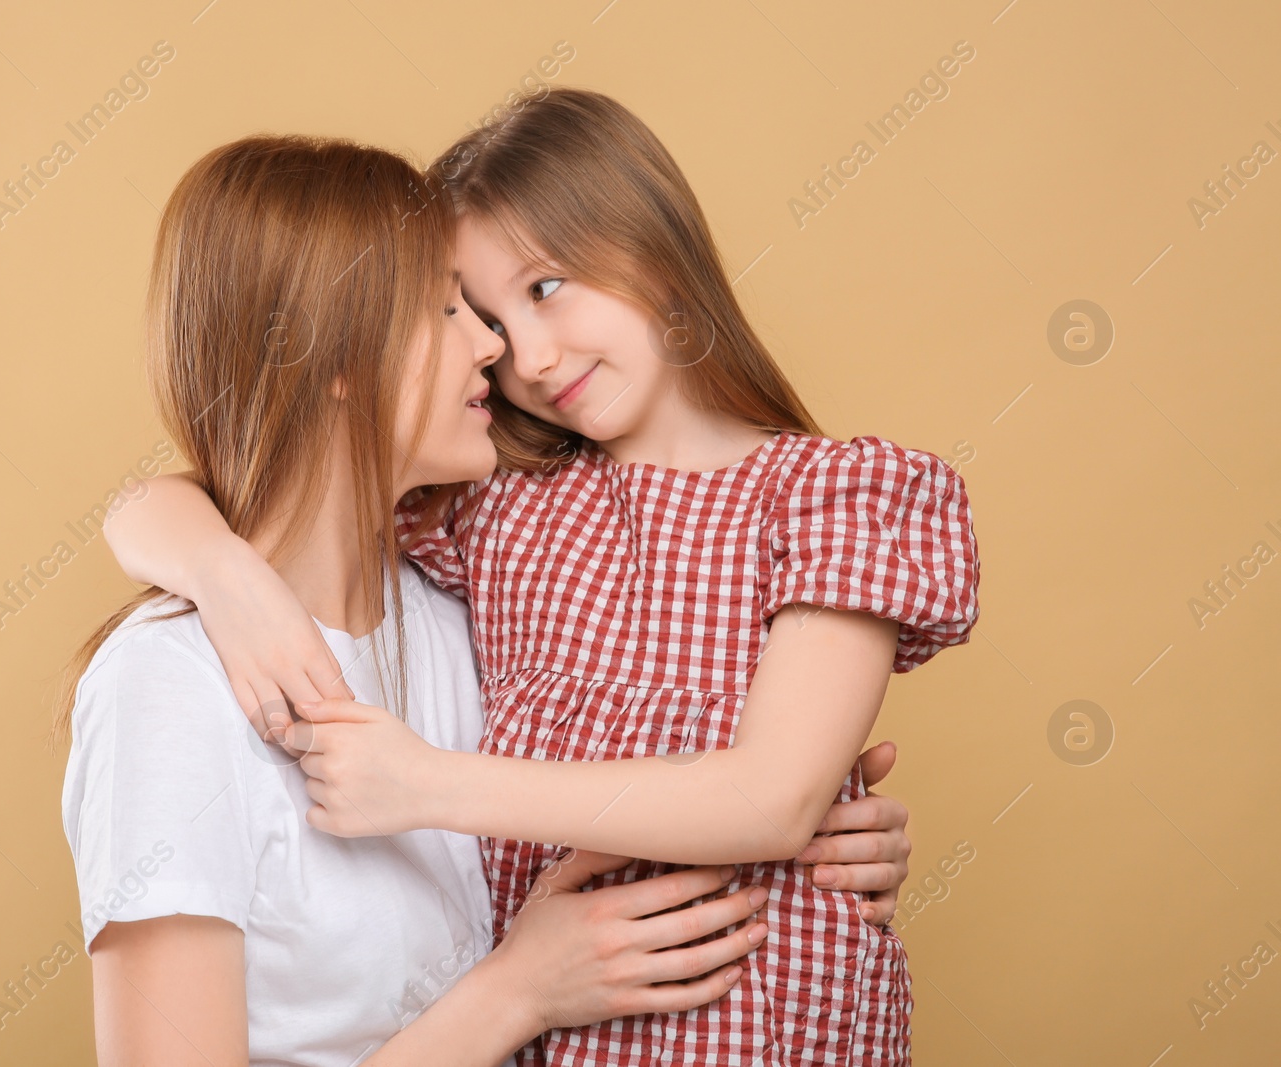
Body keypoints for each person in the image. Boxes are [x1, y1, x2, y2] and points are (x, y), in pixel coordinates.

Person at [101, 90, 966, 1064]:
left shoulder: (828, 494)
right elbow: (212, 489)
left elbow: (769, 797)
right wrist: (221, 572)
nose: (518, 354)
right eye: (475, 315)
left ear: (653, 243)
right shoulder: (502, 514)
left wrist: (430, 782)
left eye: (542, 289)